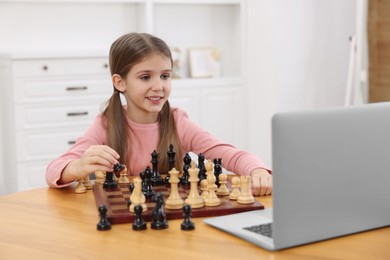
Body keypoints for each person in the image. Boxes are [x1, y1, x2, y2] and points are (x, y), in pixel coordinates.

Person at [46, 32, 272, 196]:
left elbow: (228, 153)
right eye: (145, 77)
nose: (159, 86)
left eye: (165, 76)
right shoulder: (106, 124)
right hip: (125, 222)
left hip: (171, 221)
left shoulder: (177, 122)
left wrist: (257, 169)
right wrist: (77, 167)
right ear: (120, 82)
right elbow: (53, 170)